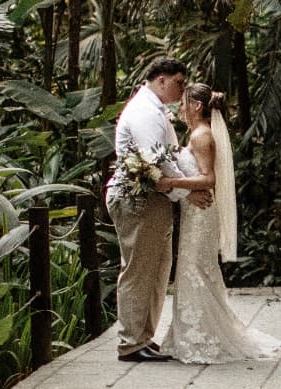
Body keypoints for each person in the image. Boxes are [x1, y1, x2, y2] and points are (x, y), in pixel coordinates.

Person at [154, 83, 281, 363]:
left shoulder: (202, 136)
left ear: (197, 106)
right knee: (193, 270)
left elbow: (208, 179)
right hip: (194, 214)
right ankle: (192, 333)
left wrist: (171, 183)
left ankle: (201, 336)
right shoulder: (196, 134)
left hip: (202, 216)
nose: (180, 107)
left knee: (195, 270)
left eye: (184, 103)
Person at [105, 57, 212, 362]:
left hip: (154, 197)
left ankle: (143, 337)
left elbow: (168, 159)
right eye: (179, 82)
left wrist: (180, 189)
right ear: (161, 80)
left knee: (157, 268)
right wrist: (186, 193)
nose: (182, 89)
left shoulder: (154, 110)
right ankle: (130, 342)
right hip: (137, 198)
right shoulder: (144, 112)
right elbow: (156, 161)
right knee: (139, 269)